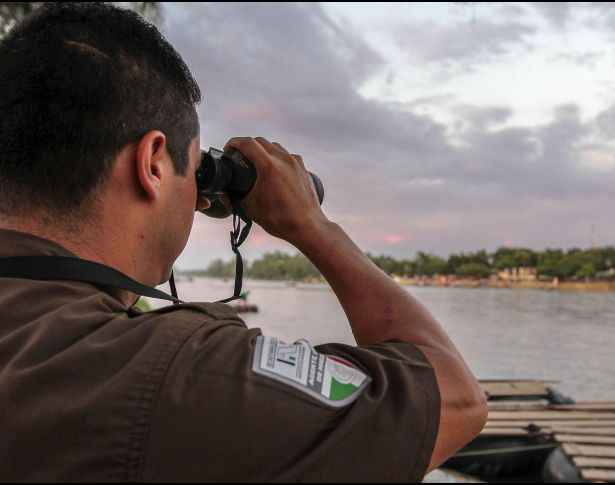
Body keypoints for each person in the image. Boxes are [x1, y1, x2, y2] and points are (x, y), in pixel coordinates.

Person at [0, 3, 487, 482]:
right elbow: (456, 398)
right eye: (194, 170)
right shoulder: (171, 374)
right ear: (152, 164)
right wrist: (311, 225)